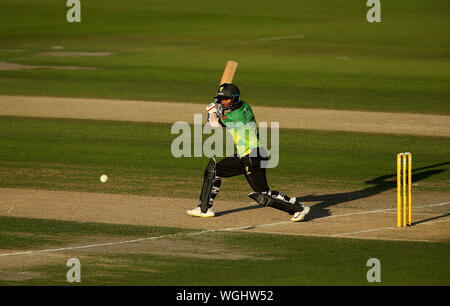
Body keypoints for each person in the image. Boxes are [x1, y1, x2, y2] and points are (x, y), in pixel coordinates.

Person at [186, 83, 310, 222]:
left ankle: (298, 209)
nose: (223, 102)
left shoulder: (237, 115)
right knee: (213, 171)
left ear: (235, 99)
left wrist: (212, 111)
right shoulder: (245, 106)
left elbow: (215, 124)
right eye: (221, 99)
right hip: (245, 155)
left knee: (262, 196)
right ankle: (205, 208)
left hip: (253, 157)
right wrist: (216, 111)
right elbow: (219, 120)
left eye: (226, 99)